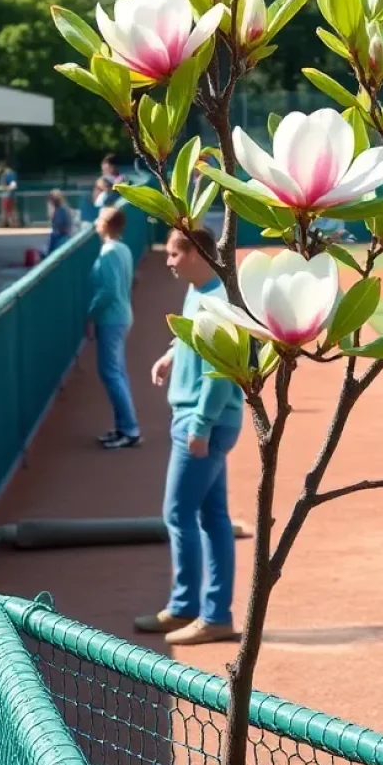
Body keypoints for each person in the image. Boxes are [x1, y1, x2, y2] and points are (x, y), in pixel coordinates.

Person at [135, 227, 243, 646]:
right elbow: (189, 338)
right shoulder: (201, 292)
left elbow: (218, 374)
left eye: (175, 254)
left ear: (197, 253)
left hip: (204, 423)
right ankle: (209, 612)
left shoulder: (214, 302)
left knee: (178, 513)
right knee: (211, 517)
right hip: (205, 419)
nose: (169, 261)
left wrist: (199, 426)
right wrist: (169, 354)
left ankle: (192, 609)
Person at [88, 206, 142, 450]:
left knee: (111, 373)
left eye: (100, 220)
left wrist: (91, 315)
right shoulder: (123, 249)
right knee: (117, 372)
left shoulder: (109, 252)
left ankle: (130, 429)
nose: (96, 223)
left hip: (111, 319)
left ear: (107, 225)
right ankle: (124, 427)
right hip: (121, 316)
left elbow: (108, 291)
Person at [47, 190, 74, 255]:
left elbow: (66, 225)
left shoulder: (63, 209)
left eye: (52, 199)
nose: (51, 201)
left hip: (62, 237)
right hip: (56, 236)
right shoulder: (57, 209)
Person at [0, 161, 18, 227]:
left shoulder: (10, 174)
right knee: (7, 211)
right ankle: (8, 223)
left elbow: (13, 185)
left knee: (9, 211)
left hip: (8, 195)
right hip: (6, 195)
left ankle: (12, 224)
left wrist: (6, 188)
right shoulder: (4, 174)